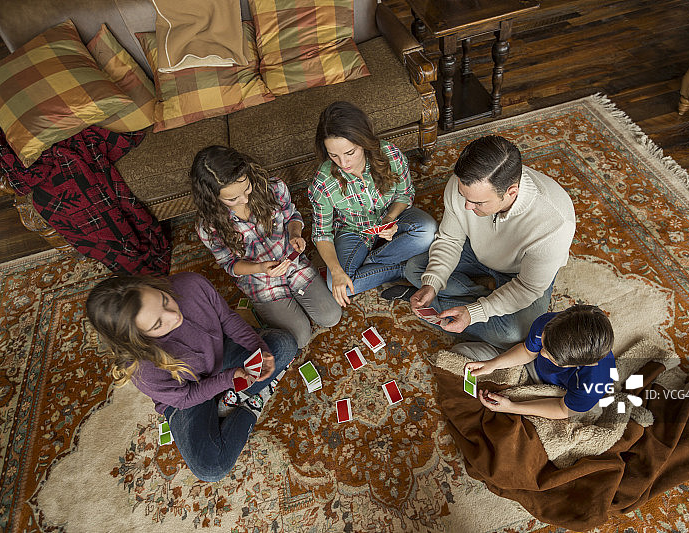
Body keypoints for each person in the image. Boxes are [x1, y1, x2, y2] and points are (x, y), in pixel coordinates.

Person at [85, 272, 298, 482]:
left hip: (220, 353)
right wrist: (227, 379)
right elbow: (185, 398)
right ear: (137, 339)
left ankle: (232, 399)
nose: (174, 316)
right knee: (210, 468)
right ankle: (249, 404)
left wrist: (258, 347)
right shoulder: (140, 368)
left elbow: (227, 318)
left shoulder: (190, 284)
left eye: (164, 300)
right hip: (186, 395)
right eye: (158, 324)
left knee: (285, 345)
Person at [402, 135, 575, 349]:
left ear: (511, 192)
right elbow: (450, 239)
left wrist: (474, 313)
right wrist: (432, 282)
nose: (467, 206)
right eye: (463, 196)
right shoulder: (464, 185)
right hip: (476, 251)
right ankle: (483, 299)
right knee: (414, 269)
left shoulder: (555, 223)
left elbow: (528, 288)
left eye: (478, 202)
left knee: (514, 334)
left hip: (521, 274)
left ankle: (472, 303)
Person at [191, 145, 341, 347]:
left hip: (293, 263)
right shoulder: (208, 226)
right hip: (259, 280)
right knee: (300, 338)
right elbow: (229, 264)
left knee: (331, 316)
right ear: (212, 197)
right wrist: (260, 268)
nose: (245, 199)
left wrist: (295, 234)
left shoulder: (273, 188)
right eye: (233, 198)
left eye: (247, 188)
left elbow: (292, 216)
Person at [308, 101, 437, 307]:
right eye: (333, 155)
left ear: (364, 141)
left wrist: (389, 218)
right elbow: (322, 233)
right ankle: (403, 268)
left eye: (350, 153)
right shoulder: (322, 182)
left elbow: (405, 194)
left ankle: (371, 263)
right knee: (338, 285)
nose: (343, 163)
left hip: (393, 217)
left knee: (428, 230)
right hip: (353, 230)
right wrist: (336, 270)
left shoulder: (390, 155)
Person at [461, 304, 616, 419]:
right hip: (531, 367)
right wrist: (493, 364)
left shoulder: (594, 383)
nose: (541, 353)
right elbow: (528, 352)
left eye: (551, 356)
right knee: (462, 352)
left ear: (576, 365)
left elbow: (562, 409)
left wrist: (512, 407)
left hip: (557, 393)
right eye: (543, 344)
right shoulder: (549, 323)